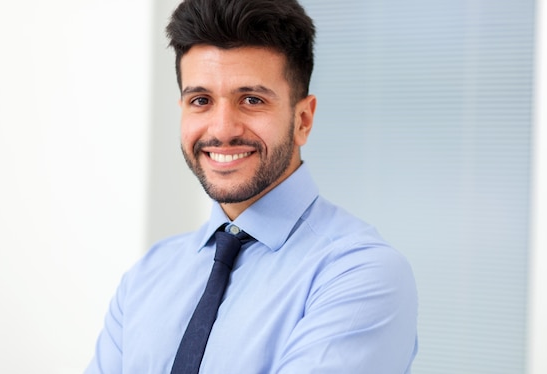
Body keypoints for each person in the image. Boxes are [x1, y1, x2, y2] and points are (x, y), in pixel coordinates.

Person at [86, 0, 418, 372]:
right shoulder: (147, 276)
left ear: (303, 120)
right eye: (201, 100)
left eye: (251, 100)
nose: (223, 129)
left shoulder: (361, 275)